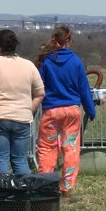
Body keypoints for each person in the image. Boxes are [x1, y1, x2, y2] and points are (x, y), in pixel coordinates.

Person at [36, 25, 97, 196]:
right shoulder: (76, 61)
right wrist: (91, 110)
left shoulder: (46, 61)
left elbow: (39, 87)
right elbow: (84, 89)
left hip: (51, 111)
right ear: (68, 41)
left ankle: (45, 185)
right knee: (70, 149)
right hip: (72, 111)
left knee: (47, 148)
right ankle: (67, 187)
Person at [0, 28, 44, 175]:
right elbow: (40, 93)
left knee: (1, 160)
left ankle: (3, 195)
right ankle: (24, 194)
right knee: (20, 161)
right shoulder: (28, 65)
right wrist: (29, 110)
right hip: (21, 118)